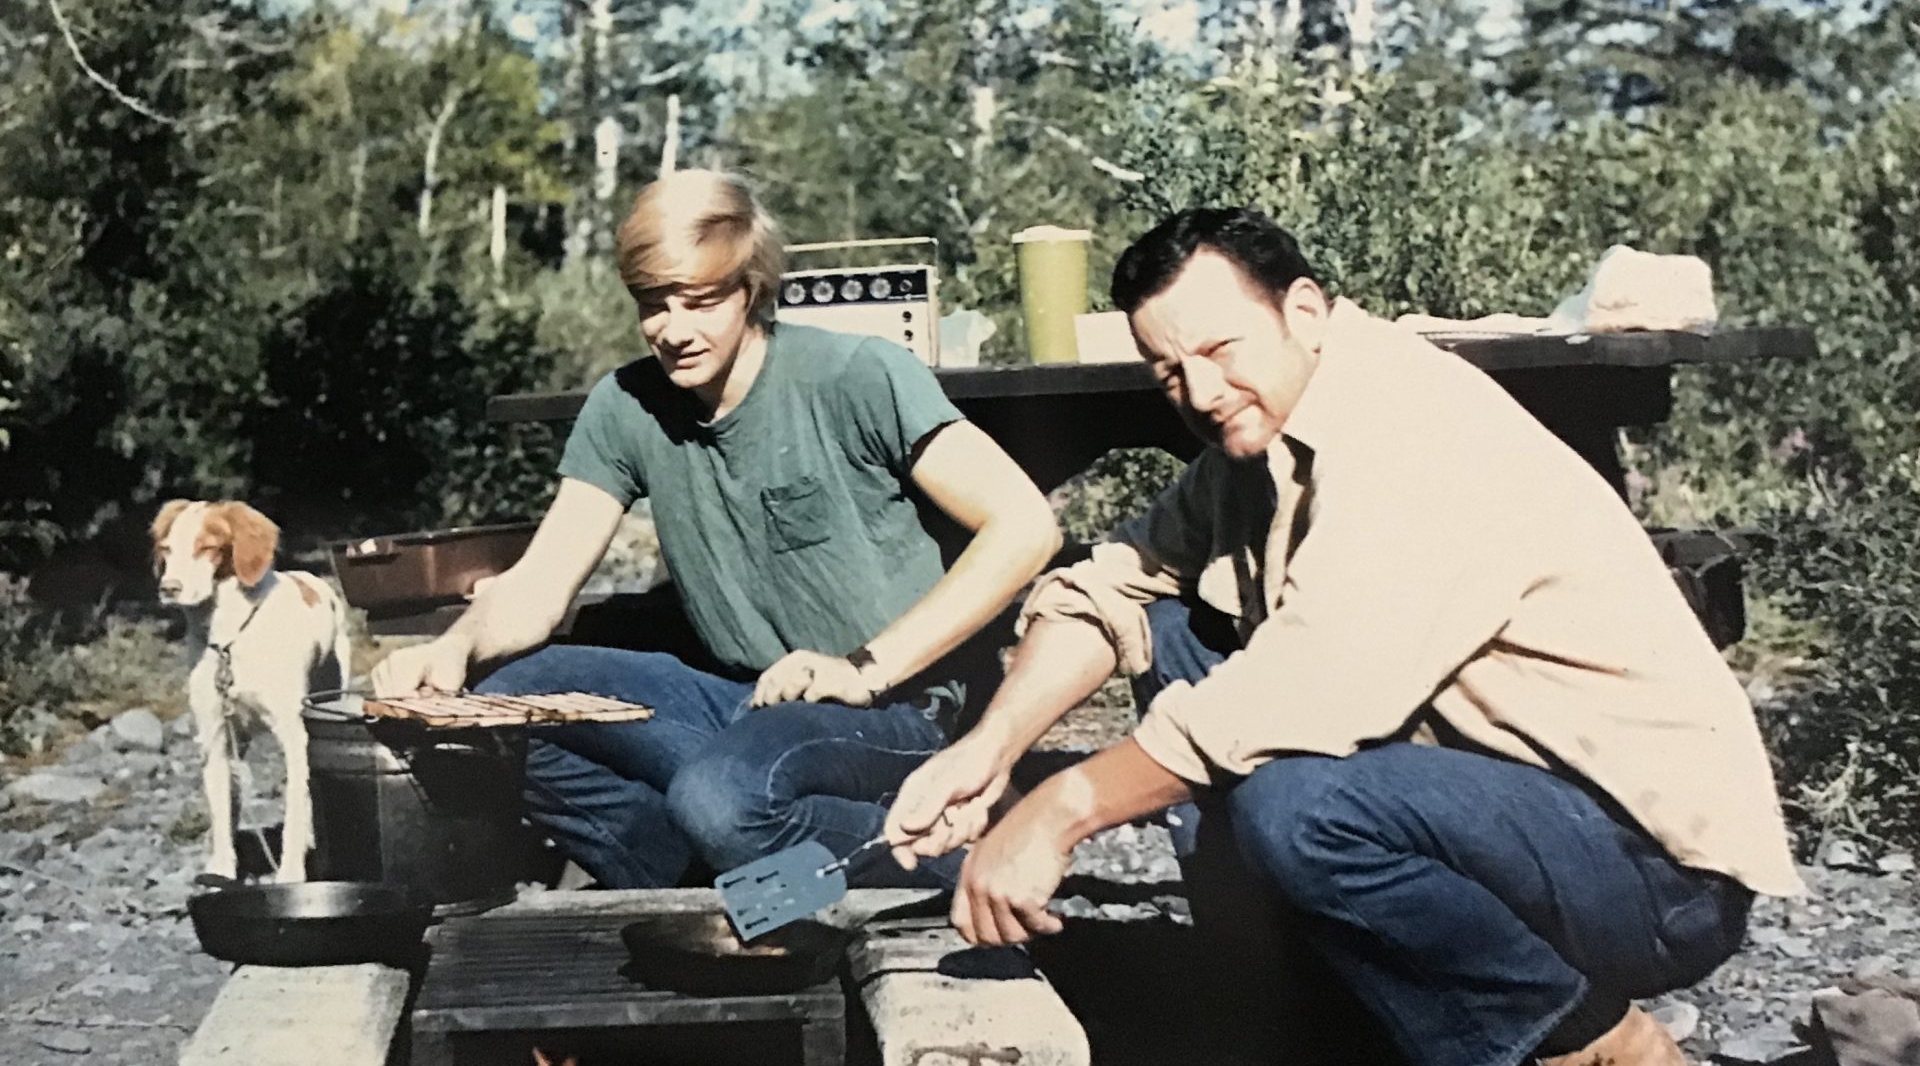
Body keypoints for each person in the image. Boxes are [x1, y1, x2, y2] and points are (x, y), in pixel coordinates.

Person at [884, 207, 1800, 1066]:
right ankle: (1308, 1007)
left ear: (1308, 311)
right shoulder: (1265, 435)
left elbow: (1303, 692)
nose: (1200, 391)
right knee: (1181, 633)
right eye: (1169, 370)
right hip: (1498, 808)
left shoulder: (1414, 432)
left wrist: (1062, 809)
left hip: (1648, 873)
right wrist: (992, 751)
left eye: (1219, 348)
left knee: (1300, 805)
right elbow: (1108, 583)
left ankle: (1585, 1036)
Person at [372, 169, 1060, 890]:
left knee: (719, 798)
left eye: (699, 301)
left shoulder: (854, 375)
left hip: (897, 705)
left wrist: (863, 668)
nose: (673, 329)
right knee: (496, 714)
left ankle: (972, 862)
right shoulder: (626, 404)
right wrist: (451, 650)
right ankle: (727, 884)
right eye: (652, 305)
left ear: (752, 288)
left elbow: (1025, 527)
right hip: (743, 698)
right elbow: (541, 587)